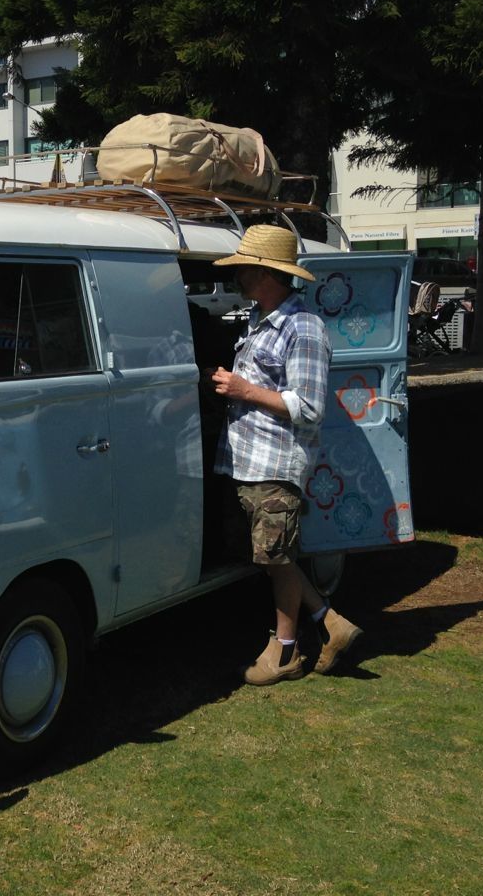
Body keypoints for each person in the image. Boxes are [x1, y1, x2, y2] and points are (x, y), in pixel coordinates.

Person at [207, 225, 362, 686]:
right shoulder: (261, 319)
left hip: (275, 462)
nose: (237, 276)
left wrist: (244, 390)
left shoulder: (302, 327)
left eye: (243, 268)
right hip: (250, 460)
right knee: (273, 555)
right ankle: (330, 623)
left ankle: (286, 653)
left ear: (265, 273)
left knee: (275, 557)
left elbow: (309, 407)